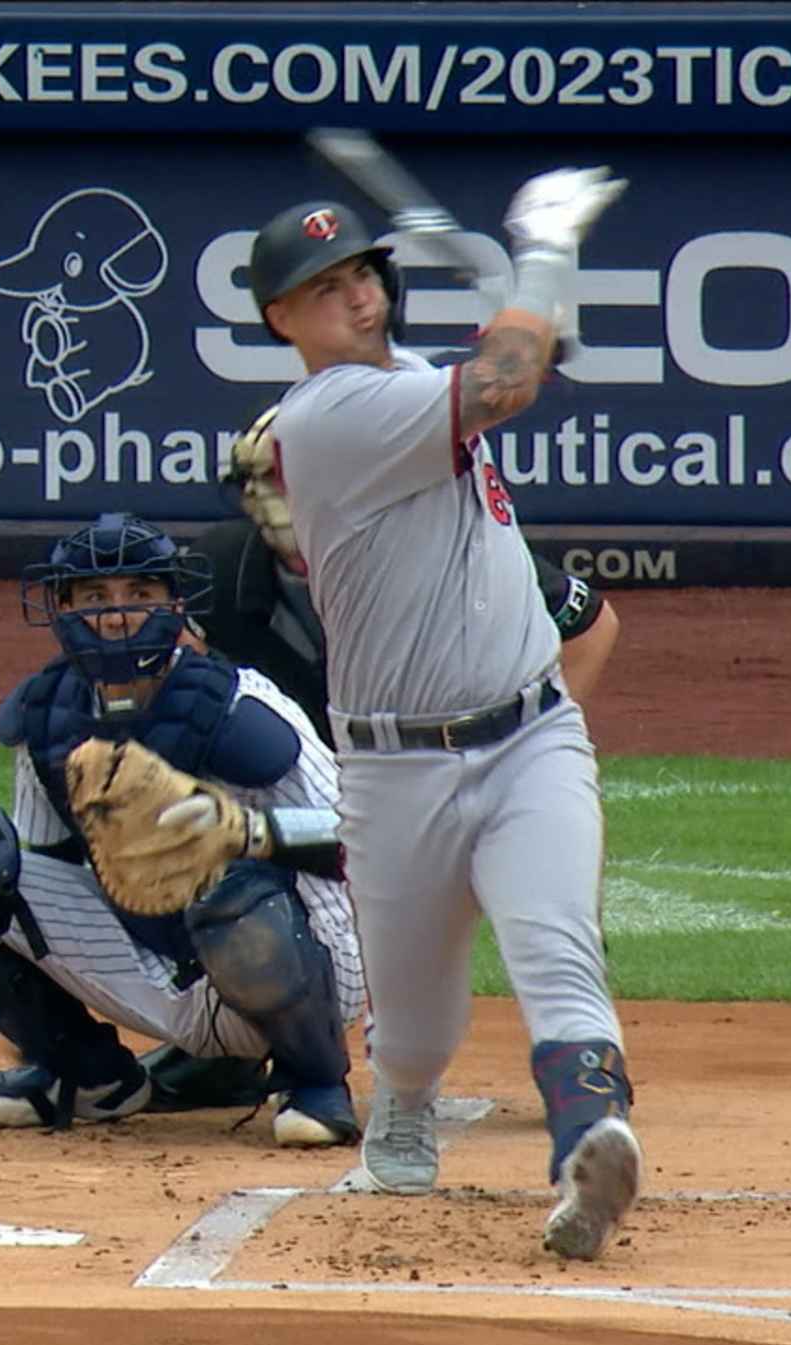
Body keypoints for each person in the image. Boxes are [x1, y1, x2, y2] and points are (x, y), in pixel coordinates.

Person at [245, 177, 642, 1260]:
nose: (358, 301)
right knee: (414, 1029)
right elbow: (511, 377)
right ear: (280, 320)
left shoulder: (410, 383)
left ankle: (589, 1144)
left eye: (363, 276)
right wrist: (541, 249)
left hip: (531, 735)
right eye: (323, 291)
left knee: (555, 946)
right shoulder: (332, 418)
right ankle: (402, 1117)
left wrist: (532, 286)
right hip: (394, 770)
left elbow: (515, 362)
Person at [0, 512, 366, 1148]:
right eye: (95, 598)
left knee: (230, 891)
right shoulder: (44, 718)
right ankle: (89, 1076)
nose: (116, 616)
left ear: (173, 604)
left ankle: (314, 1083)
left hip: (321, 960)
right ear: (61, 609)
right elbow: (54, 868)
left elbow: (360, 837)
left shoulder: (239, 704)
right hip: (169, 965)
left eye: (139, 596)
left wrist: (247, 832)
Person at [194, 404, 621, 742]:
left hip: (426, 768)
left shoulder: (443, 545)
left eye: (299, 479)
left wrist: (539, 746)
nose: (280, 498)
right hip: (292, 772)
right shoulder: (220, 566)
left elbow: (590, 626)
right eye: (266, 479)